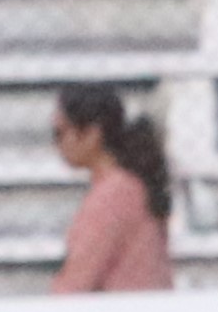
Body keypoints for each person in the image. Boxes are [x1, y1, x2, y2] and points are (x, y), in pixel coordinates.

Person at [49, 85, 174, 295]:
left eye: (59, 133)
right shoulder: (127, 186)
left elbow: (77, 282)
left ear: (92, 134)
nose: (56, 144)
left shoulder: (114, 195)